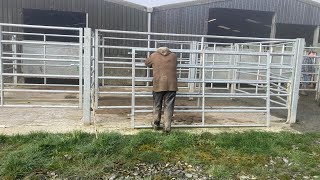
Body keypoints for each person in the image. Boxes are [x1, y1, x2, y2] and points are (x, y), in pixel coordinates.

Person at [145, 47, 178, 133]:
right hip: (171, 85)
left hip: (158, 84)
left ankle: (156, 124)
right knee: (169, 106)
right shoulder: (174, 56)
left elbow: (146, 63)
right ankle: (167, 127)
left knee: (157, 105)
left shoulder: (154, 55)